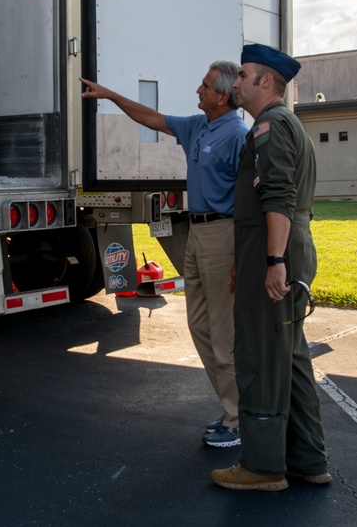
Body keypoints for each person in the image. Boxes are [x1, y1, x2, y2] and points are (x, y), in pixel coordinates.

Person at [81, 62, 246, 448]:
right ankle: (232, 408)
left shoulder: (237, 135)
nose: (197, 90)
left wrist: (241, 257)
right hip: (199, 232)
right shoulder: (198, 125)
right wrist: (111, 96)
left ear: (222, 96)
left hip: (225, 234)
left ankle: (241, 421)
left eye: (204, 86)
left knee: (224, 335)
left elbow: (249, 201)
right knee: (200, 327)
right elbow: (152, 118)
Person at [211, 44, 331, 491]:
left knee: (260, 355)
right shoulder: (285, 123)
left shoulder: (269, 125)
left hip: (274, 246)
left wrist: (273, 261)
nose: (235, 82)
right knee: (290, 357)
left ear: (265, 81)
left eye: (242, 75)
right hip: (275, 246)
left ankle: (262, 467)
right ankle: (306, 459)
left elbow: (277, 195)